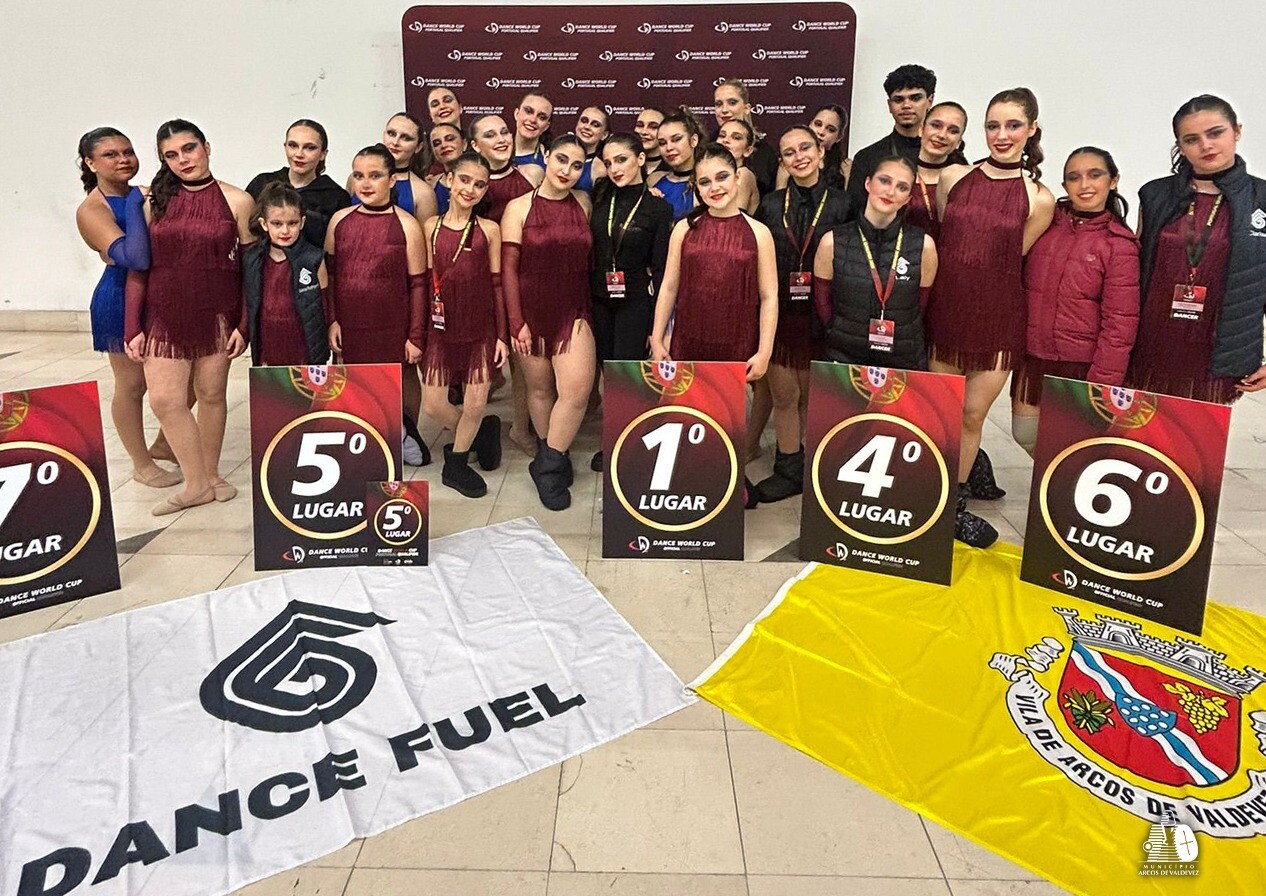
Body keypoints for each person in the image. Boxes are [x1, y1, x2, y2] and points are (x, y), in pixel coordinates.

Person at [926, 87, 1055, 547]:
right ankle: (928, 495)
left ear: (1032, 129)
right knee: (940, 414)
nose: (1001, 135)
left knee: (970, 416)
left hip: (998, 319)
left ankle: (953, 507)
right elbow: (949, 241)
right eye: (993, 125)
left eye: (1013, 125)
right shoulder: (953, 177)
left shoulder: (1039, 199)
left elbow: (1012, 258)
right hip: (947, 313)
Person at [124, 119, 256, 515]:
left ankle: (210, 476)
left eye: (189, 148)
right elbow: (138, 268)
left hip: (218, 314)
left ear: (206, 147)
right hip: (163, 313)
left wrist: (244, 324)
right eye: (171, 155)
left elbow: (251, 270)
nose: (182, 159)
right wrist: (132, 326)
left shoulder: (238, 200)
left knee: (212, 395)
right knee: (165, 400)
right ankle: (196, 482)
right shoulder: (152, 202)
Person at [650, 145, 779, 506]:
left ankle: (725, 480)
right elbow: (669, 286)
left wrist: (764, 350)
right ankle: (689, 483)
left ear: (738, 178)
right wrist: (658, 337)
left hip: (736, 340)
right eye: (705, 182)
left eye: (722, 177)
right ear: (696, 187)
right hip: (689, 337)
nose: (715, 187)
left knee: (728, 417)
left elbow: (769, 296)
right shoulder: (684, 229)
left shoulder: (758, 232)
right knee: (687, 413)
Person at [1129, 94, 1266, 403]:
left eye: (1215, 133)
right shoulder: (1154, 194)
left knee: (1196, 433)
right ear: (1180, 146)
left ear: (1237, 131)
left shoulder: (1261, 198)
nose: (1206, 145)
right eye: (1191, 139)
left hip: (1218, 351)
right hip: (1151, 344)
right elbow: (1133, 271)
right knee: (1139, 432)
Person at [1011, 147, 1139, 454]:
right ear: (1064, 184)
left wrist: (1101, 385)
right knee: (1025, 433)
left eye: (1095, 175)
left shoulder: (1119, 245)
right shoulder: (1045, 223)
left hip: (1079, 368)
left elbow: (1120, 324)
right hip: (1034, 360)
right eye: (1074, 177)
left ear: (1113, 180)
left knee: (1071, 450)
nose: (1084, 185)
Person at [75, 127, 180, 489]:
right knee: (132, 385)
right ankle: (141, 463)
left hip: (162, 295)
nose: (123, 159)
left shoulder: (145, 194)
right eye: (111, 154)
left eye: (128, 151)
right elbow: (135, 257)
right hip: (119, 296)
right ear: (90, 163)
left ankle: (164, 443)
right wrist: (136, 206)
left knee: (188, 380)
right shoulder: (93, 209)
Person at [752, 126, 852, 504]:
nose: (799, 157)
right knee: (784, 395)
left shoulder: (844, 204)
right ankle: (788, 468)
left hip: (824, 313)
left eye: (805, 148)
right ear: (782, 162)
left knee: (814, 396)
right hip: (780, 313)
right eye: (789, 152)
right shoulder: (771, 205)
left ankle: (816, 465)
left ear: (821, 152)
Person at [500, 135, 596, 511]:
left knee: (575, 392)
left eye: (577, 165)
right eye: (561, 159)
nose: (567, 170)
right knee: (540, 391)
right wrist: (516, 322)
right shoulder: (518, 207)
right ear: (545, 156)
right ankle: (553, 453)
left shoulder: (583, 203)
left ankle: (549, 466)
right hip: (530, 312)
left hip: (574, 310)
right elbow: (508, 270)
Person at [325, 144, 431, 465]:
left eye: (375, 176)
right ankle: (367, 444)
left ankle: (403, 437)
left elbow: (419, 285)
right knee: (356, 386)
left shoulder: (407, 225)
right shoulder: (339, 221)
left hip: (392, 324)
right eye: (359, 176)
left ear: (392, 180)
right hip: (350, 323)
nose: (366, 183)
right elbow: (330, 277)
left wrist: (415, 335)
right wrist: (333, 320)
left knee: (395, 383)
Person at [421, 152, 508, 497]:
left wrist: (502, 335)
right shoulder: (430, 226)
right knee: (433, 404)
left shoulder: (489, 230)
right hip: (440, 326)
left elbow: (498, 284)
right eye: (464, 180)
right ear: (449, 180)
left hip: (480, 326)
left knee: (475, 403)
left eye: (479, 184)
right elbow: (425, 281)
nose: (470, 189)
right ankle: (481, 433)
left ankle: (455, 464)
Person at [588, 133, 674, 471]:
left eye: (622, 159)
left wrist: (657, 326)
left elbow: (662, 269)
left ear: (640, 159)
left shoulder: (658, 207)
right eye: (609, 162)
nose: (615, 168)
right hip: (598, 298)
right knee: (606, 372)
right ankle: (616, 435)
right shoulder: (599, 196)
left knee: (627, 374)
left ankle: (623, 445)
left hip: (635, 300)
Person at [813, 155, 937, 371]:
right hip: (843, 357)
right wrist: (840, 330)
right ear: (868, 183)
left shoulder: (923, 245)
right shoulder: (832, 241)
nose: (891, 192)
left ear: (908, 198)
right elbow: (823, 304)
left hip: (904, 358)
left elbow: (921, 306)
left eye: (902, 187)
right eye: (885, 181)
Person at [470, 113, 545, 457]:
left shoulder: (532, 176)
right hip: (480, 281)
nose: (501, 138)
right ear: (475, 145)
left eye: (504, 131)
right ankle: (469, 430)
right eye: (490, 135)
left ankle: (520, 427)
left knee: (521, 362)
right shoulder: (469, 184)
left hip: (520, 279)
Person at [238, 182, 330, 367]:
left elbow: (326, 303)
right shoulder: (252, 259)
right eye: (277, 224)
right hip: (267, 345)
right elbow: (249, 301)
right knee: (272, 386)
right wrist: (242, 331)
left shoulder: (314, 258)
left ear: (302, 222)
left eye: (292, 223)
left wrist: (331, 330)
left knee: (303, 386)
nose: (285, 231)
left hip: (305, 347)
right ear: (264, 224)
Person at [846, 64, 937, 214]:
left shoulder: (948, 156)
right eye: (898, 99)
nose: (906, 105)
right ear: (889, 105)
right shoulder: (867, 157)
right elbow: (855, 214)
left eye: (915, 98)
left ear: (930, 100)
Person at [245, 119, 350, 247]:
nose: (299, 154)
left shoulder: (336, 197)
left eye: (309, 148)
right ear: (285, 147)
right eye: (293, 145)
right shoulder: (261, 183)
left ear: (323, 154)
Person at [348, 113, 439, 224]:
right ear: (384, 135)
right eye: (391, 134)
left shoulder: (424, 193)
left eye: (406, 138)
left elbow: (426, 234)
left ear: (418, 147)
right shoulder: (354, 179)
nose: (395, 142)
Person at [905, 102, 969, 241]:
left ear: (959, 142)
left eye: (953, 131)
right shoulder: (897, 175)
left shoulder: (966, 182)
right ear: (921, 129)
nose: (942, 135)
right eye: (936, 125)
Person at [713, 79, 778, 195]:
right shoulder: (707, 145)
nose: (724, 110)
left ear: (746, 108)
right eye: (718, 104)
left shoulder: (763, 152)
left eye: (732, 102)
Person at [647, 107, 706, 220]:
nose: (669, 148)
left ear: (693, 140)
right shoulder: (653, 180)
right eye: (662, 143)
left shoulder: (706, 182)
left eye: (676, 139)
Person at [776, 105, 850, 191]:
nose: (821, 132)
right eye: (818, 124)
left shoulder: (845, 166)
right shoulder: (791, 160)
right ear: (810, 124)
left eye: (830, 129)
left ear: (839, 137)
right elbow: (779, 194)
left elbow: (848, 198)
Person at [716, 119, 761, 213]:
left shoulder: (743, 174)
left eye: (736, 137)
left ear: (747, 151)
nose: (726, 140)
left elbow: (734, 218)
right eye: (722, 136)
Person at [426, 122, 467, 214]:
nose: (443, 145)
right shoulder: (430, 186)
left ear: (464, 144)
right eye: (436, 143)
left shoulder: (482, 181)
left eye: (450, 139)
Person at [573, 106, 610, 192]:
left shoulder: (600, 168)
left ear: (604, 135)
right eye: (584, 120)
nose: (587, 127)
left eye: (595, 125)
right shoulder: (556, 153)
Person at [512, 92, 553, 168]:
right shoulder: (494, 151)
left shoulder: (551, 160)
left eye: (542, 117)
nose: (533, 120)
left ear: (547, 126)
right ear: (516, 114)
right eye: (528, 111)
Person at [635, 107, 666, 177]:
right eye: (640, 125)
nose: (644, 132)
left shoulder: (674, 168)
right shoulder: (626, 166)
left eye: (653, 127)